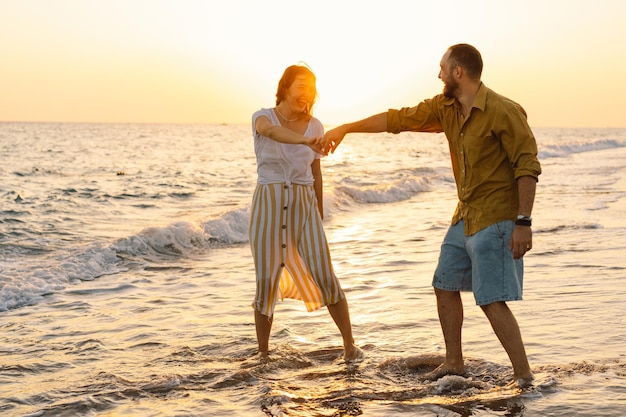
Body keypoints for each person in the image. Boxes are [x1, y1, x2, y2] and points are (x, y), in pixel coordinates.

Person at [323, 44, 541, 386]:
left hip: (498, 219)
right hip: (465, 214)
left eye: (442, 68)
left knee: (491, 301)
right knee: (444, 283)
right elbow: (396, 119)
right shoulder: (445, 108)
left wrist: (523, 223)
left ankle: (523, 375)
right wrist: (346, 127)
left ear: (458, 72)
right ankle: (454, 362)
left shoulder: (504, 111)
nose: (438, 74)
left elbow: (527, 167)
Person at [249, 64, 361, 361]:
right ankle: (263, 353)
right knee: (266, 281)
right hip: (268, 205)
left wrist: (320, 213)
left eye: (311, 88)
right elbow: (271, 132)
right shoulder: (262, 117)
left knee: (325, 274)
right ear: (285, 87)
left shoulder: (316, 126)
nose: (306, 93)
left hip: (304, 205)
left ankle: (350, 345)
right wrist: (302, 140)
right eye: (301, 86)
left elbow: (316, 171)